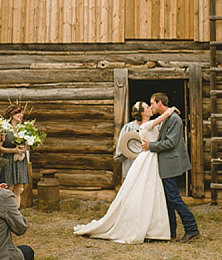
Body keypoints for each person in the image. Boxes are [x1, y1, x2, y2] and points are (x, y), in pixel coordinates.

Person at [74, 102, 179, 243]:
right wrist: (172, 108)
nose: (150, 108)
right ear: (142, 113)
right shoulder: (146, 125)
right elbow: (165, 115)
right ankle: (145, 226)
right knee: (145, 190)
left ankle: (154, 228)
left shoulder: (150, 124)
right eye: (147, 107)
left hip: (152, 158)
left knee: (153, 192)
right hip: (148, 158)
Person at [142, 92, 200, 243]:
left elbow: (171, 142)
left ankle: (192, 228)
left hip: (170, 162)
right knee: (168, 199)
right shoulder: (167, 117)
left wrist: (150, 146)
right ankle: (171, 231)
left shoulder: (174, 119)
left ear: (160, 103)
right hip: (164, 163)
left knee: (174, 197)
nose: (151, 106)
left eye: (152, 103)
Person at [0, 104, 30, 208]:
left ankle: (16, 212)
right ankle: (7, 212)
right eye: (18, 113)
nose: (21, 115)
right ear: (12, 114)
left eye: (21, 113)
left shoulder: (22, 129)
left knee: (18, 189)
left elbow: (28, 145)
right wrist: (14, 150)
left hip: (20, 160)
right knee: (9, 189)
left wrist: (25, 148)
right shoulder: (4, 129)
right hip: (9, 160)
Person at [114, 114, 140, 179]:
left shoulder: (153, 126)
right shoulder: (129, 127)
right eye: (147, 108)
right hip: (131, 157)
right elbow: (123, 142)